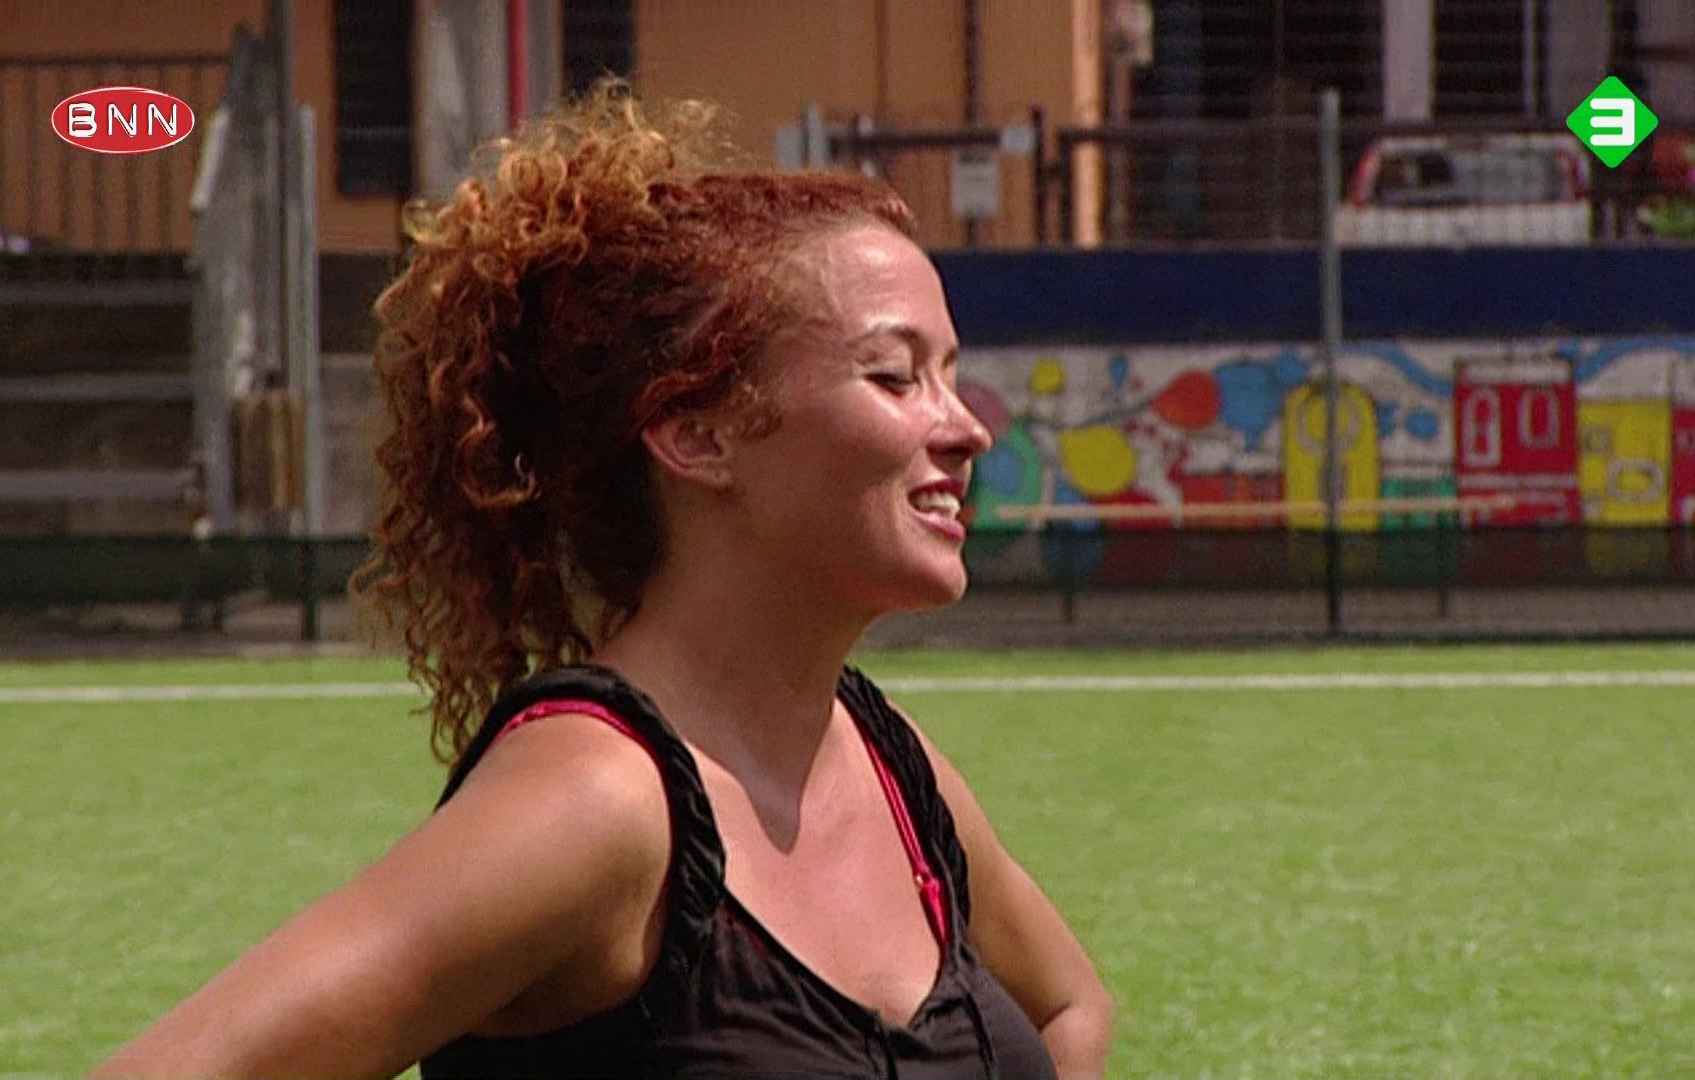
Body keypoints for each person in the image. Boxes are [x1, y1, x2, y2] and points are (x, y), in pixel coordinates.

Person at [95, 83, 1113, 1079]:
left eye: (950, 373)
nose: (966, 427)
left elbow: (1069, 1007)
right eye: (893, 375)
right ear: (698, 436)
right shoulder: (595, 803)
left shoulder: (894, 767)